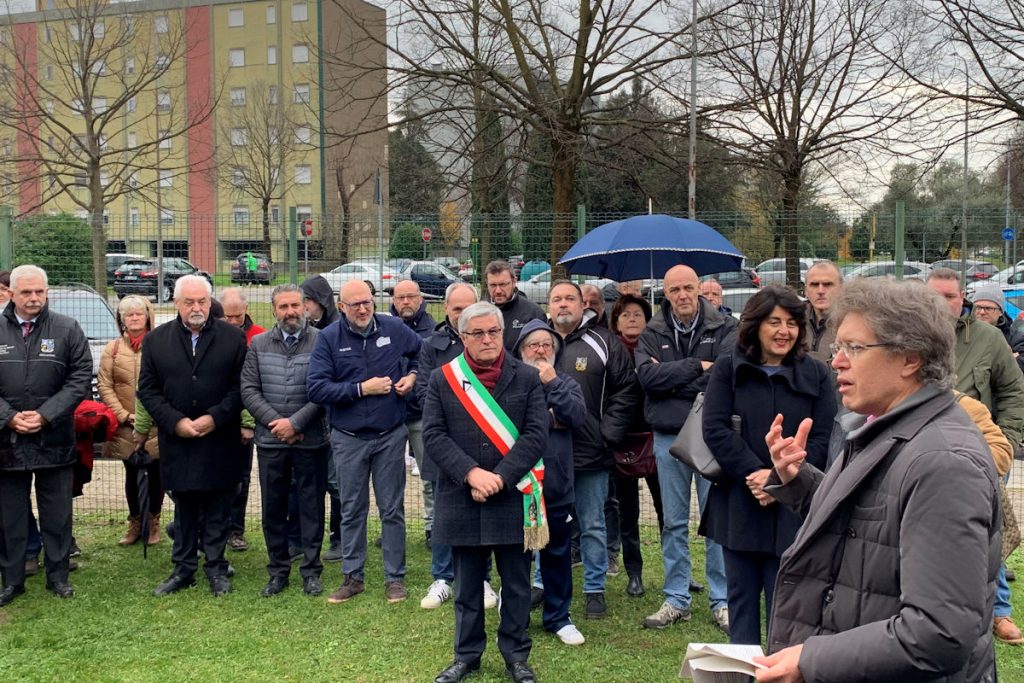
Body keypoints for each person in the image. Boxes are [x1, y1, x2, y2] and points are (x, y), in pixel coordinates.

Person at [754, 277, 1000, 682]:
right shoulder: (886, 426)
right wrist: (799, 479)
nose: (837, 361)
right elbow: (871, 523)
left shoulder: (943, 462)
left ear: (910, 359)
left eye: (855, 348)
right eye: (838, 347)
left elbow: (938, 633)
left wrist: (811, 660)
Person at [701, 285, 836, 643]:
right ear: (755, 324)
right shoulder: (729, 368)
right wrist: (755, 475)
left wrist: (781, 481)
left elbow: (822, 439)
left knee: (788, 610)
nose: (784, 331)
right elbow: (714, 429)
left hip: (793, 508)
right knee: (741, 604)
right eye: (774, 322)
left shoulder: (818, 375)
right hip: (739, 504)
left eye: (792, 323)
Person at [422, 302, 549, 683]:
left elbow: (535, 434)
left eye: (493, 331)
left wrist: (499, 478)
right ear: (463, 338)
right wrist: (472, 474)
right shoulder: (443, 378)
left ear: (502, 332)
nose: (487, 339)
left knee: (515, 585)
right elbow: (432, 434)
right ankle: (466, 656)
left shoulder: (526, 377)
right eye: (477, 333)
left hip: (511, 495)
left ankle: (516, 655)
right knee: (466, 587)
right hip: (462, 495)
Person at [307, 279, 422, 605]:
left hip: (390, 435)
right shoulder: (329, 339)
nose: (362, 309)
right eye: (354, 304)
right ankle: (353, 577)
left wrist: (411, 377)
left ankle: (395, 579)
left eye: (367, 302)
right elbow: (316, 388)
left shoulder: (394, 328)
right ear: (341, 307)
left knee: (392, 510)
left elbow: (421, 354)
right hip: (348, 438)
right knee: (352, 509)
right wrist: (361, 389)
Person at [635, 264, 735, 632]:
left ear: (700, 289)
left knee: (716, 521)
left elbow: (725, 376)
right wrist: (696, 366)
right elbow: (648, 379)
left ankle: (721, 599)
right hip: (667, 437)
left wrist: (674, 376)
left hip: (713, 434)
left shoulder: (726, 326)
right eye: (674, 289)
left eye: (687, 288)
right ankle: (677, 598)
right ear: (665, 293)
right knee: (673, 521)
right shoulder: (652, 330)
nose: (681, 295)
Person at [927, 268, 1024, 646]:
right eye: (935, 296)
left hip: (980, 449)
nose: (942, 304)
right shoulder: (908, 334)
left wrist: (1009, 439)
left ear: (962, 298)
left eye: (950, 296)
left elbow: (1013, 390)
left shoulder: (987, 338)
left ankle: (999, 610)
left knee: (989, 532)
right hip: (926, 451)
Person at [138, 275, 248, 597]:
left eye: (202, 301)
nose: (197, 307)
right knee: (184, 507)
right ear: (176, 303)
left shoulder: (233, 338)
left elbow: (240, 387)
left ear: (210, 302)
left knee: (218, 507)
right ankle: (183, 569)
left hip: (219, 438)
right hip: (179, 440)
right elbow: (148, 389)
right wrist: (176, 422)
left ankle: (216, 568)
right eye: (189, 302)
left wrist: (214, 418)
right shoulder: (156, 340)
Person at [0, 265, 91, 605]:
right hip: (7, 443)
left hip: (54, 438)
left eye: (40, 291)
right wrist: (8, 418)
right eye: (26, 292)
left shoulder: (67, 328)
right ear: (11, 293)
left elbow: (80, 377)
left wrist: (45, 414)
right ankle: (11, 581)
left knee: (57, 514)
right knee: (10, 515)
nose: (34, 298)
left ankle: (58, 577)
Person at [547, 280, 635, 619]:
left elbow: (626, 390)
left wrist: (606, 433)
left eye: (571, 298)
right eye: (557, 299)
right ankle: (544, 583)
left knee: (593, 523)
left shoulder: (603, 342)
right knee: (547, 523)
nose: (564, 304)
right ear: (550, 305)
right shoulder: (537, 342)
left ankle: (594, 589)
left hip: (591, 453)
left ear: (584, 304)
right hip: (548, 454)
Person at [241, 284, 330, 597]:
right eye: (283, 307)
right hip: (270, 441)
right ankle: (278, 570)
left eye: (295, 305)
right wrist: (276, 423)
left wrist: (296, 423)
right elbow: (249, 389)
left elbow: (324, 388)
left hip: (311, 439)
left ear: (305, 306)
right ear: (274, 309)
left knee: (311, 507)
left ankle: (311, 571)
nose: (290, 312)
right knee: (273, 509)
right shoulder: (259, 344)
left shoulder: (322, 341)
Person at [417, 282, 492, 610]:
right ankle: (442, 577)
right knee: (444, 513)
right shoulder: (431, 346)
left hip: (486, 446)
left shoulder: (487, 345)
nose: (462, 314)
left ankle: (483, 579)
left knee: (484, 513)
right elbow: (423, 392)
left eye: (468, 307)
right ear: (446, 309)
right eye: (456, 309)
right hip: (446, 446)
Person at [513, 319, 587, 646]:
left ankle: (559, 617)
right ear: (520, 351)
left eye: (547, 345)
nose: (541, 350)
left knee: (557, 553)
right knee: (516, 556)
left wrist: (554, 385)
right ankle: (514, 615)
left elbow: (576, 417)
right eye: (533, 345)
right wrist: (549, 419)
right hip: (519, 487)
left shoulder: (566, 382)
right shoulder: (510, 384)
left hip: (556, 487)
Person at [608, 293, 663, 598]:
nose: (632, 319)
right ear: (616, 320)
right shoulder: (610, 351)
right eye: (625, 314)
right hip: (622, 441)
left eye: (638, 314)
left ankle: (675, 575)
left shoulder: (656, 347)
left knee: (667, 511)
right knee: (627, 513)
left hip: (656, 437)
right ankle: (634, 573)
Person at [98, 295, 162, 547]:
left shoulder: (159, 346)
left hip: (156, 425)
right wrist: (124, 415)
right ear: (122, 320)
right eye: (129, 315)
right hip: (126, 425)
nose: (134, 318)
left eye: (139, 314)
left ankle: (153, 521)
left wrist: (153, 415)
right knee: (131, 473)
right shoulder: (112, 349)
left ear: (148, 317)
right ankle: (135, 522)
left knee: (156, 474)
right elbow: (105, 385)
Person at [390, 279, 437, 547]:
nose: (406, 302)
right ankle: (393, 527)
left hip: (422, 414)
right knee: (391, 478)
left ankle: (433, 526)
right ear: (394, 301)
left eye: (411, 297)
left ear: (421, 299)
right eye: (400, 298)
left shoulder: (433, 330)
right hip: (392, 415)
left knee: (429, 473)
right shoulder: (382, 328)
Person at [300, 274, 343, 561]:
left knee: (338, 483)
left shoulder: (340, 331)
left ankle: (339, 537)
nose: (303, 307)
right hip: (309, 420)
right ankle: (307, 537)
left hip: (337, 420)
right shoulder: (303, 331)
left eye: (307, 301)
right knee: (309, 483)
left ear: (321, 302)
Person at [218, 287, 263, 553]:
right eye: (228, 316)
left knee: (242, 477)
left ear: (245, 310)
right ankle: (214, 526)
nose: (233, 321)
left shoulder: (257, 336)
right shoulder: (215, 336)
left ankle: (236, 529)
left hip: (246, 418)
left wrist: (248, 423)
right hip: (219, 417)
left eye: (237, 315)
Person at [484, 260, 545, 350]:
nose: (498, 291)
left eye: (503, 284)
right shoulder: (479, 313)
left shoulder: (533, 313)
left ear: (514, 282)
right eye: (493, 285)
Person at [971, 284, 1024, 374]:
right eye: (978, 307)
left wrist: (1014, 361)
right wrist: (1006, 358)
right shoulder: (963, 332)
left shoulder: (1016, 339)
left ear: (1000, 312)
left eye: (988, 308)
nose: (982, 312)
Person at [803, 261, 842, 364]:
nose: (820, 291)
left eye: (828, 284)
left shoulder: (853, 322)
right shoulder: (793, 320)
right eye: (814, 285)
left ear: (842, 288)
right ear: (806, 290)